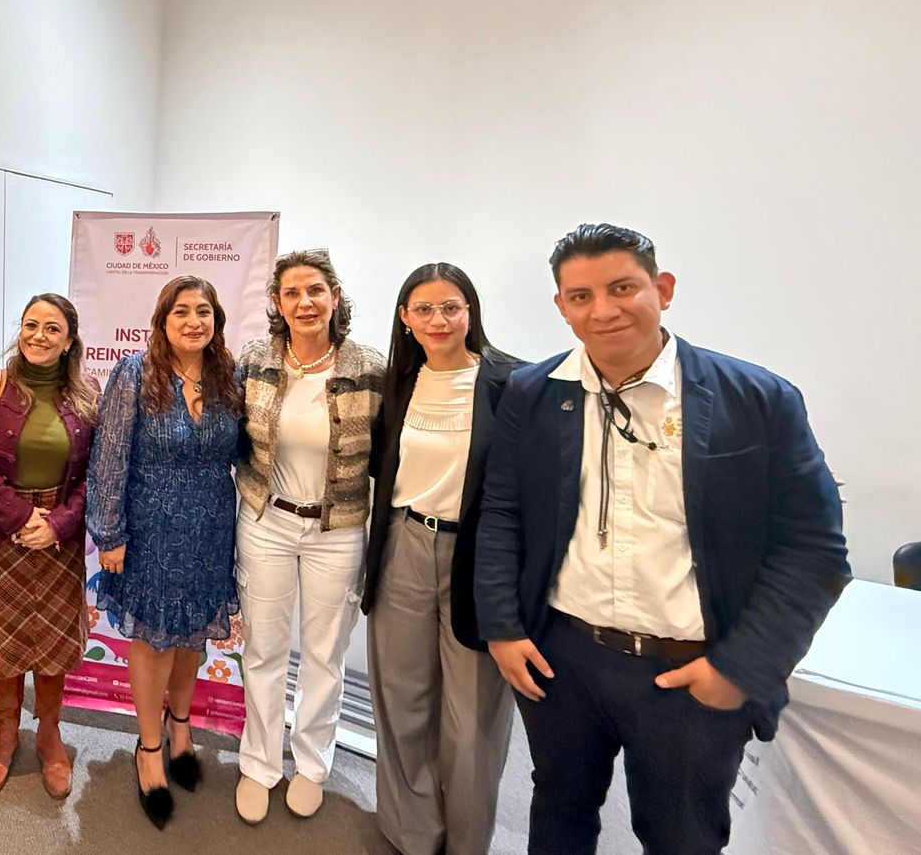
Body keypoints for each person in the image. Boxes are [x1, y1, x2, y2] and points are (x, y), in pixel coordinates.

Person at [475, 223, 851, 855]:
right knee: (559, 808)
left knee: (681, 835)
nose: (604, 310)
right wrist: (502, 628)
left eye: (622, 288)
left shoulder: (757, 399)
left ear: (663, 289)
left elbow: (813, 549)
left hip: (690, 670)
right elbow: (503, 512)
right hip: (563, 657)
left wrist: (741, 668)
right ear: (562, 306)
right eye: (581, 296)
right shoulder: (533, 394)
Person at [363, 263, 522, 855]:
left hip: (479, 557)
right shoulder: (397, 384)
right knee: (402, 698)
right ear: (405, 319)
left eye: (450, 307)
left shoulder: (513, 383)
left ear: (470, 312)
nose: (438, 320)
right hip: (404, 545)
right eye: (424, 309)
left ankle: (466, 842)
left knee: (472, 717)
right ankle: (412, 833)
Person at [232, 249, 385, 824]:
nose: (305, 303)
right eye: (292, 293)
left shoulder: (369, 368)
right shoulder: (255, 360)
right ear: (277, 302)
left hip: (336, 528)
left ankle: (312, 764)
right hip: (266, 521)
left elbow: (388, 453)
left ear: (334, 296)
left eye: (315, 290)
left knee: (324, 653)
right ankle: (259, 763)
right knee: (264, 648)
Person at [86, 275, 242, 830]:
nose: (194, 321)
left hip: (210, 529)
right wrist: (109, 534)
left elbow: (246, 451)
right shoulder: (134, 373)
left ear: (216, 320)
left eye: (204, 311)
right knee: (153, 640)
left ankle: (181, 727)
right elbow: (109, 457)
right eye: (182, 311)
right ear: (162, 320)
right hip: (150, 529)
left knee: (191, 636)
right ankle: (149, 746)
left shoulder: (229, 377)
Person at [0, 294, 100, 800]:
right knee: (8, 636)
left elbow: (96, 473)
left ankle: (50, 734)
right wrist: (19, 516)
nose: (38, 335)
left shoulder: (87, 394)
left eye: (52, 328)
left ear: (69, 341)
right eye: (31, 325)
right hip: (1, 532)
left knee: (53, 638)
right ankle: (6, 733)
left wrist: (58, 523)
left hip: (59, 537)